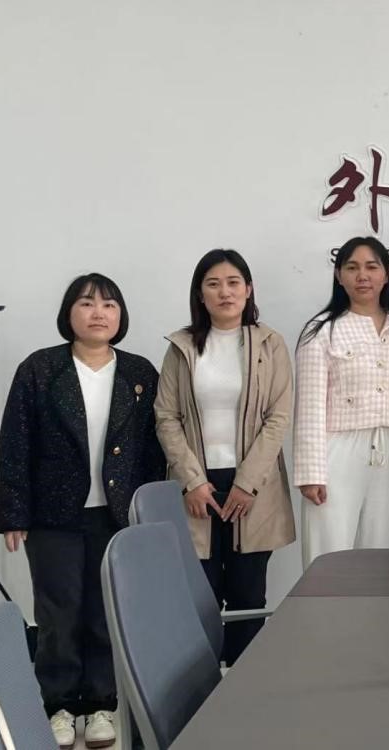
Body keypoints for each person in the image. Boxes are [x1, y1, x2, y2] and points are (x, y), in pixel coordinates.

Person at [0, 273, 163, 750]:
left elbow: (153, 450)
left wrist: (149, 514)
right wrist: (13, 513)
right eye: (87, 303)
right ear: (69, 313)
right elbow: (15, 443)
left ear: (120, 315)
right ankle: (59, 706)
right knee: (58, 613)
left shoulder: (139, 373)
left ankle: (102, 704)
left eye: (109, 305)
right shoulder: (40, 369)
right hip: (54, 515)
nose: (98, 313)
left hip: (117, 514)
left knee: (105, 612)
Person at [155, 249, 295, 664]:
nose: (225, 292)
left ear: (248, 289)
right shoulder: (181, 347)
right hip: (196, 485)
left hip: (253, 485)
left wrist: (247, 483)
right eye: (213, 284)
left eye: (234, 283)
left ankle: (244, 684)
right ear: (200, 294)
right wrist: (192, 481)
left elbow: (278, 417)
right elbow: (166, 416)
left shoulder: (270, 344)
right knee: (199, 594)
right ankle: (199, 686)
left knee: (248, 593)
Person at [294, 236, 389, 564]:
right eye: (351, 268)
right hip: (337, 449)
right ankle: (322, 602)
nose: (362, 276)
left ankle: (375, 603)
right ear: (339, 276)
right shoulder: (321, 331)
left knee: (379, 550)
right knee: (329, 551)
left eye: (371, 267)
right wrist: (311, 473)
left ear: (387, 274)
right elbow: (309, 406)